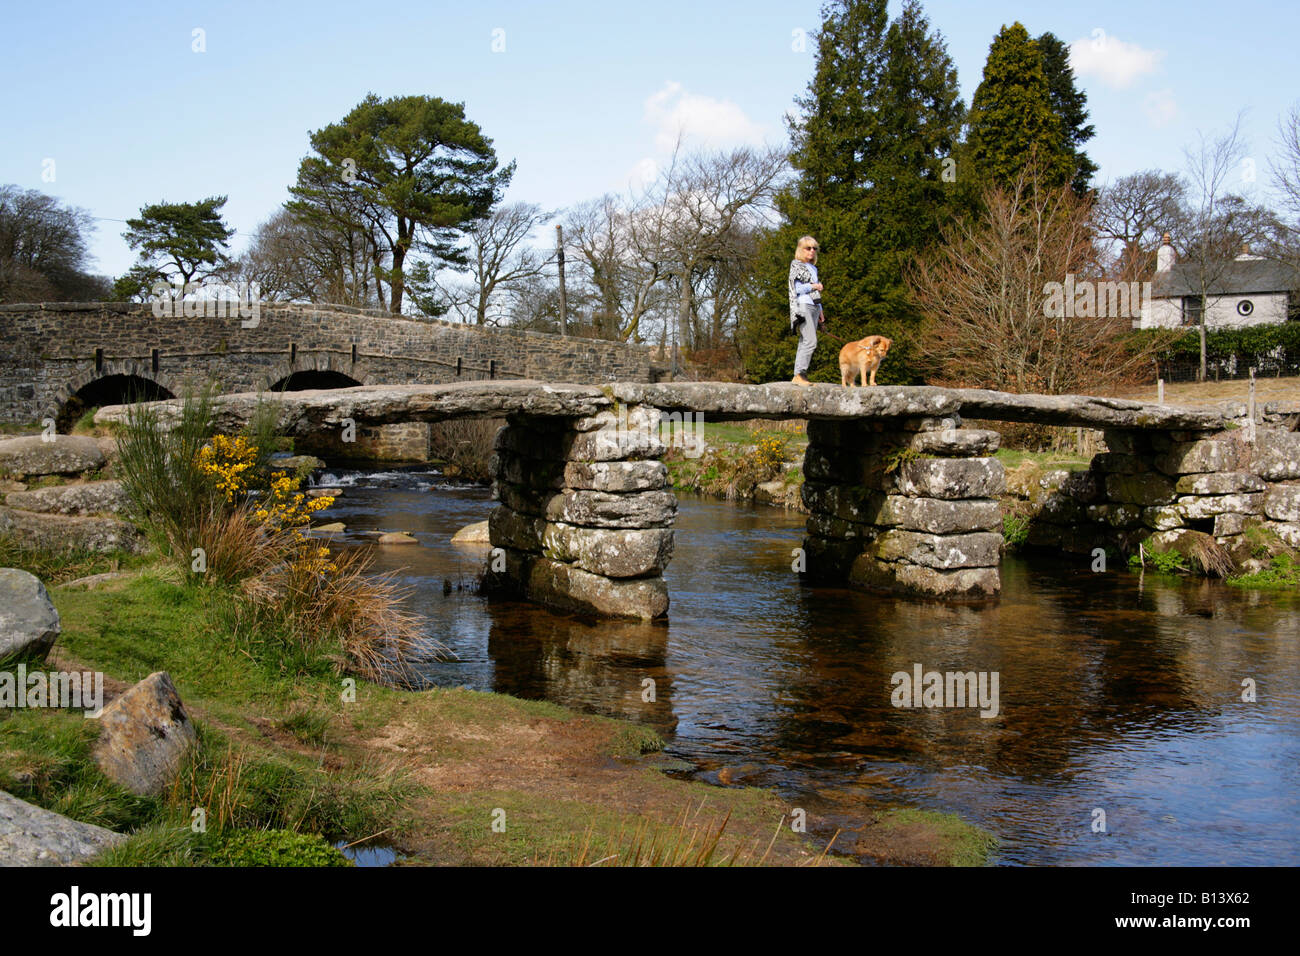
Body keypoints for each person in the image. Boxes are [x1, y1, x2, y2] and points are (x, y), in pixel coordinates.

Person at [788, 235, 825, 386]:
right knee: (810, 341)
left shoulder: (813, 268)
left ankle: (799, 375)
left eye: (814, 248)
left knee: (805, 341)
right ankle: (800, 374)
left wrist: (821, 312)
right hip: (803, 305)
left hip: (815, 306)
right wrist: (814, 286)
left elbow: (816, 295)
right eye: (808, 248)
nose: (812, 251)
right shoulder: (797, 265)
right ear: (801, 249)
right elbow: (797, 289)